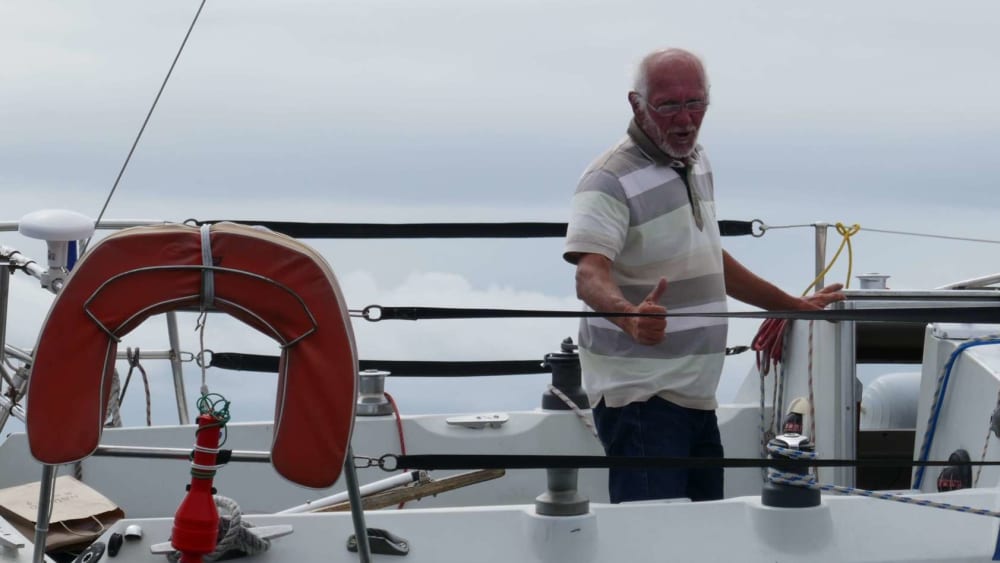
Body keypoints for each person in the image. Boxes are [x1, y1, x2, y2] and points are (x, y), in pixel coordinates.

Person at [563, 47, 845, 503]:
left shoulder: (695, 161)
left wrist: (791, 304)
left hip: (694, 395)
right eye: (669, 105)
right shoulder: (608, 179)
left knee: (703, 535)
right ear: (637, 105)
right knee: (657, 540)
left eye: (696, 103)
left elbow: (709, 257)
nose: (686, 119)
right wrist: (630, 317)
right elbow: (589, 275)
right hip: (641, 398)